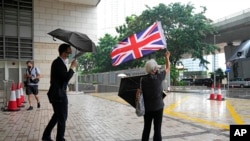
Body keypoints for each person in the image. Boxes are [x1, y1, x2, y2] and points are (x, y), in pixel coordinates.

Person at [42, 43, 77, 141]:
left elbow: (61, 79)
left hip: (57, 94)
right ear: (63, 52)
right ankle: (60, 138)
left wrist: (70, 68)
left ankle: (46, 136)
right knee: (62, 117)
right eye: (68, 52)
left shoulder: (59, 63)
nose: (69, 54)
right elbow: (65, 79)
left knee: (57, 116)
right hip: (59, 95)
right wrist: (72, 67)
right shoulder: (58, 63)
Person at [140, 51, 170, 141]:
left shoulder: (143, 80)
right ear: (154, 69)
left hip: (147, 109)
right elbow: (168, 68)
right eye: (156, 68)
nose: (157, 69)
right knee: (157, 129)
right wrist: (167, 57)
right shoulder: (159, 77)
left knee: (146, 128)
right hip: (158, 108)